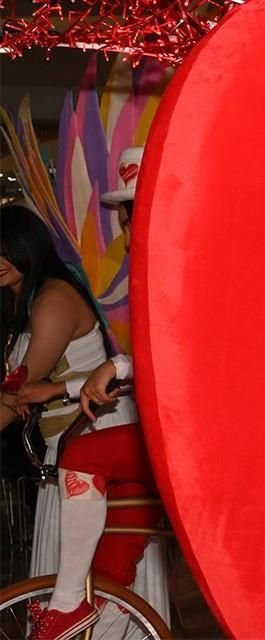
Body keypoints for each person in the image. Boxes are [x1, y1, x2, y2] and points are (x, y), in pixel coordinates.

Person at [0, 167, 161, 640]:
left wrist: (93, 378)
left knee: (96, 569)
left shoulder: (51, 300)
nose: (128, 235)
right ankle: (81, 611)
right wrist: (68, 387)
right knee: (107, 575)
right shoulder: (22, 305)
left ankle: (74, 607)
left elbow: (17, 393)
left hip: (95, 437)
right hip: (76, 444)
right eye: (126, 223)